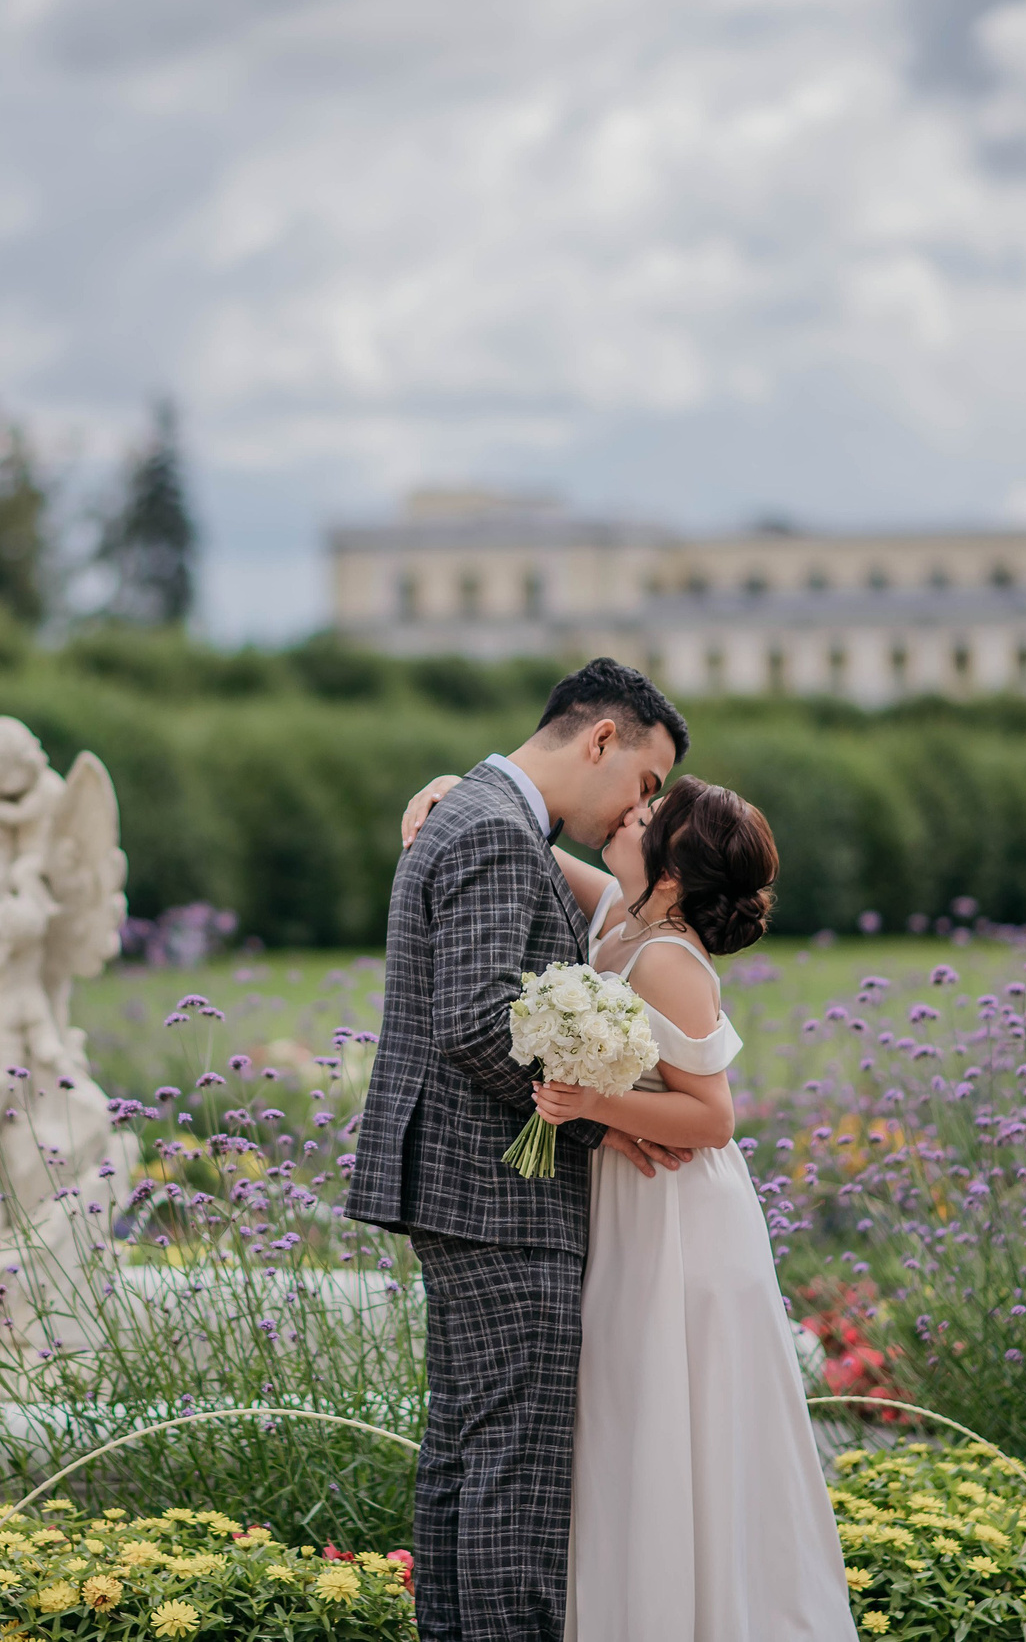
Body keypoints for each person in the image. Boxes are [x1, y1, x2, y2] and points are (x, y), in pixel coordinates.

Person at [397, 773, 858, 1642]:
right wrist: (462, 785)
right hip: (621, 1199)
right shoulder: (619, 908)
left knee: (664, 1415)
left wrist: (590, 1105)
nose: (625, 816)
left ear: (674, 873)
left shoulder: (669, 959)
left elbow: (713, 1117)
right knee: (619, 1417)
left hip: (678, 1217)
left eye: (647, 817)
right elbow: (521, 838)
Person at [346, 658, 692, 1642]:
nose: (642, 806)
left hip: (461, 1192)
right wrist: (607, 1115)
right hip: (498, 1198)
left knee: (465, 1471)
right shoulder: (498, 832)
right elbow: (478, 1022)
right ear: (599, 741)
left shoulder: (483, 815)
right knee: (515, 1496)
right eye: (643, 780)